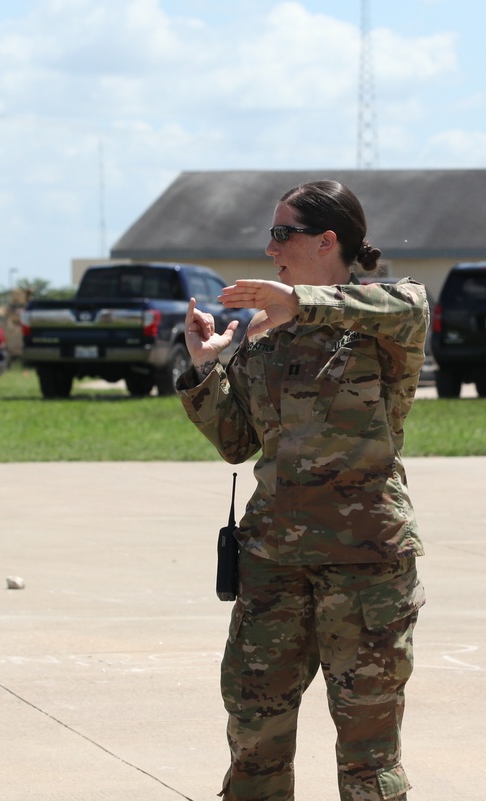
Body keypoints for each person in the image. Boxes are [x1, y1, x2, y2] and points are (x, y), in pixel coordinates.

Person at [177, 180, 428, 801]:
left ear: (327, 240)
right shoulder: (264, 330)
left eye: (281, 234)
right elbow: (237, 440)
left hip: (364, 564)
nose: (270, 248)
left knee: (368, 754)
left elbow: (412, 305)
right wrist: (207, 368)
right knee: (254, 741)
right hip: (273, 564)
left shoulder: (383, 314)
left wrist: (303, 302)